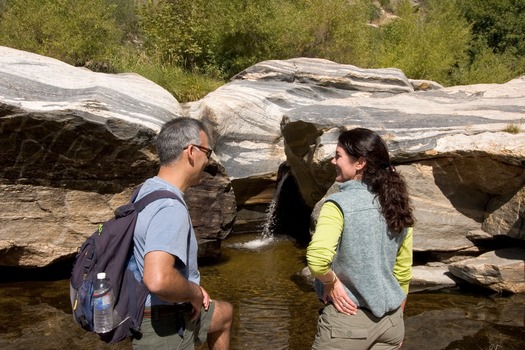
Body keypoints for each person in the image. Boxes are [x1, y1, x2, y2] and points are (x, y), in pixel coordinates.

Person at [306, 127, 414, 350]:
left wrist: (332, 282)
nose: (333, 161)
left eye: (338, 156)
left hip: (348, 321)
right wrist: (397, 319)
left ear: (360, 163)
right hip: (392, 323)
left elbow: (317, 259)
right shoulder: (396, 204)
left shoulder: (338, 205)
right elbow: (403, 272)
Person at [131, 117, 233, 350]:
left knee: (225, 314)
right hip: (163, 323)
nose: (208, 160)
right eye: (207, 152)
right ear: (191, 151)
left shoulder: (146, 190)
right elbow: (158, 279)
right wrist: (194, 292)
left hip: (146, 310)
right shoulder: (170, 207)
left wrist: (188, 287)